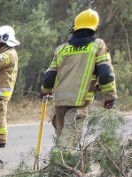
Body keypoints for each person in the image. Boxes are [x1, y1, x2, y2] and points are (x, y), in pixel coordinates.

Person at [40, 9, 116, 149]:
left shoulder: (61, 49)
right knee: (67, 143)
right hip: (79, 102)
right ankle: (58, 169)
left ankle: (61, 168)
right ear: (94, 27)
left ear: (74, 27)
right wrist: (110, 97)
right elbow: (105, 74)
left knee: (62, 137)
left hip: (60, 101)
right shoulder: (97, 45)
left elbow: (49, 76)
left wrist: (45, 91)